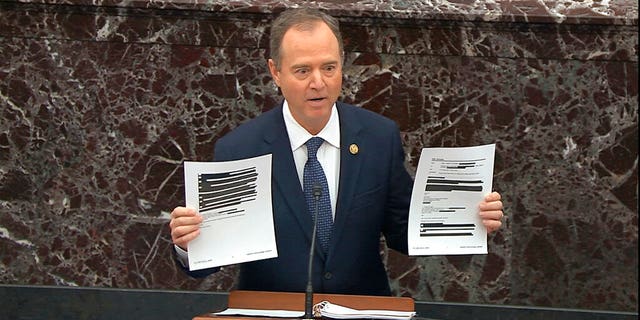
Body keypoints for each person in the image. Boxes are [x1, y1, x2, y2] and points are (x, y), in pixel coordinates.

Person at [169, 8, 504, 296]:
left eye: (329, 68)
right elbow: (209, 264)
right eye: (303, 71)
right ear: (275, 72)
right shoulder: (240, 148)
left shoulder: (378, 137)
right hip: (272, 312)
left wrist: (469, 221)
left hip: (362, 310)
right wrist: (189, 245)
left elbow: (404, 233)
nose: (319, 82)